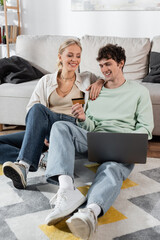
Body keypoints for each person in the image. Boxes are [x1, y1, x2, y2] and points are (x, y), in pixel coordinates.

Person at [43, 44, 153, 239]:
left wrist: (131, 142)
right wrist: (84, 119)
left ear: (121, 63)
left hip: (122, 143)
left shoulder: (139, 91)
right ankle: (67, 190)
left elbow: (145, 128)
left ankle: (90, 212)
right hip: (94, 140)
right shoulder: (95, 91)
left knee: (112, 169)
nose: (104, 69)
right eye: (101, 65)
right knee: (60, 127)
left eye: (108, 64)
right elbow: (92, 126)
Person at [2, 39, 104, 189]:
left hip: (70, 128)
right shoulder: (46, 80)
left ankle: (25, 163)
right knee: (35, 109)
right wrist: (41, 134)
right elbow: (32, 109)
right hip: (46, 129)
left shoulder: (87, 78)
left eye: (78, 56)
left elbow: (107, 78)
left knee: (40, 113)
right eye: (70, 55)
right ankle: (37, 158)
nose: (74, 60)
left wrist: (100, 82)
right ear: (60, 56)